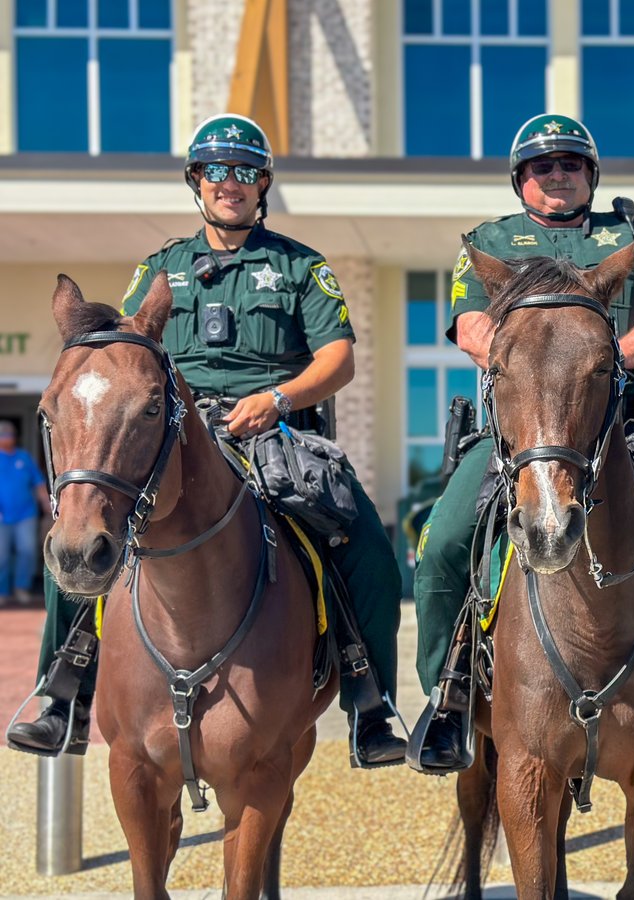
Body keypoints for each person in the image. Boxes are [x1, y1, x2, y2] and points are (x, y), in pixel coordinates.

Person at [6, 114, 408, 768]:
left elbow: (338, 360)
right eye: (216, 171)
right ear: (197, 181)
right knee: (81, 527)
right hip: (175, 435)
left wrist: (277, 398)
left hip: (272, 430)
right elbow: (129, 349)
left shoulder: (300, 265)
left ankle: (369, 702)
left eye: (244, 171)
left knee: (363, 542)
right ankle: (65, 693)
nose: (230, 183)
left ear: (262, 184)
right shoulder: (161, 265)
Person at [411, 113, 634, 771]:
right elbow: (469, 326)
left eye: (570, 164)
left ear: (590, 176)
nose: (557, 175)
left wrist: (608, 359)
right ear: (522, 180)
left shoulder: (631, 237)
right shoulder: (490, 241)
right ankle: (448, 697)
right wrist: (540, 368)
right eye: (542, 166)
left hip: (628, 420)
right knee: (442, 544)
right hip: (523, 432)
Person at [0, 421, 51, 608]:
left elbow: (38, 484)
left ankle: (21, 588)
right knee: (2, 556)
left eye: (10, 435)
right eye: (4, 435)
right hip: (2, 517)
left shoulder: (24, 457)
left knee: (27, 550)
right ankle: (2, 591)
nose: (8, 438)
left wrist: (47, 504)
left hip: (26, 514)